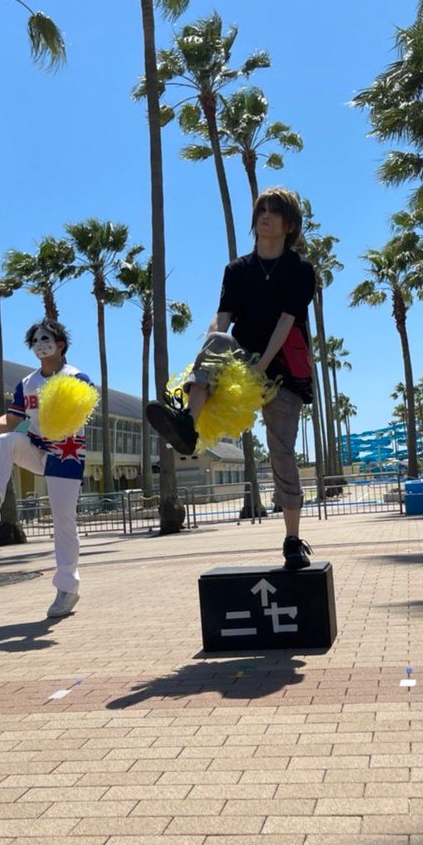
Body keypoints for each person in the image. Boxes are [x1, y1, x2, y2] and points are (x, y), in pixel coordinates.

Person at [147, 187, 317, 571]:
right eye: (261, 210)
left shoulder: (300, 270)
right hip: (240, 357)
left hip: (283, 370)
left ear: (290, 225)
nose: (265, 216)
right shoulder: (237, 270)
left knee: (281, 451)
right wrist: (212, 346)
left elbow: (286, 323)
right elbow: (223, 318)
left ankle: (292, 539)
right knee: (217, 341)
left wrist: (261, 368)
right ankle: (187, 425)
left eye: (274, 211)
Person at [0, 317, 90, 618]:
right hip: (35, 448)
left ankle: (68, 588)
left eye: (46, 339)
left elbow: (81, 415)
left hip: (65, 456)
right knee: (7, 440)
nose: (40, 345)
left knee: (63, 521)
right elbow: (11, 421)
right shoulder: (27, 383)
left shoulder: (77, 378)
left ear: (60, 345)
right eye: (35, 341)